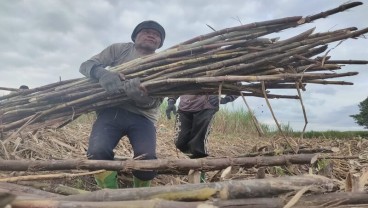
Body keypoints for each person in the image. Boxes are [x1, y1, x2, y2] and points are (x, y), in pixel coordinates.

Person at [79, 20, 165, 189]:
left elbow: (154, 102)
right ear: (134, 37)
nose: (151, 35)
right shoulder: (119, 49)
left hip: (143, 117)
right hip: (111, 112)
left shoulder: (164, 62)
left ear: (160, 43)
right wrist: (102, 74)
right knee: (97, 152)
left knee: (147, 161)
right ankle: (110, 194)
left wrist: (139, 97)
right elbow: (86, 65)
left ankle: (139, 196)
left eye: (156, 35)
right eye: (146, 31)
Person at [167, 94, 237, 182]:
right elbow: (175, 85)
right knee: (180, 142)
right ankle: (194, 164)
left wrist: (225, 99)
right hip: (184, 108)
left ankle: (200, 178)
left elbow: (238, 85)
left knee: (198, 147)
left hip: (206, 107)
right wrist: (171, 100)